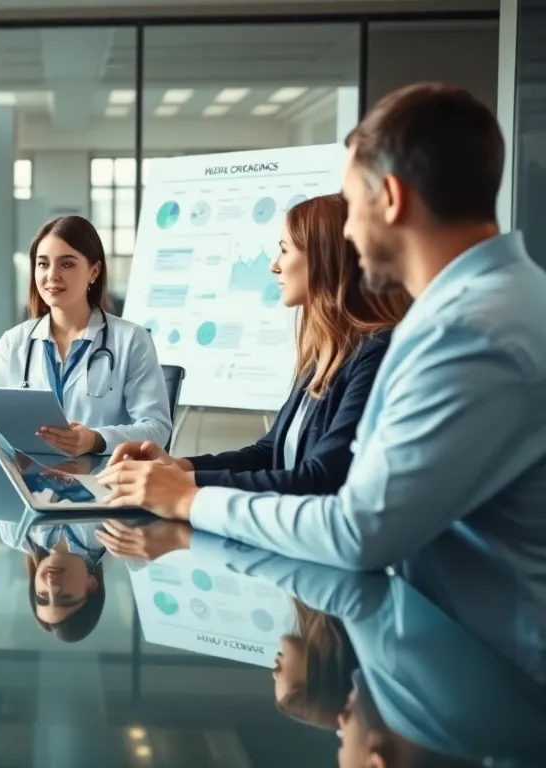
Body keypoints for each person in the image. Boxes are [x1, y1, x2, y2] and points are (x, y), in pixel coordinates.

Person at [96, 84, 546, 681]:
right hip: (466, 658)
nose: (351, 236)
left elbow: (354, 526)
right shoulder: (498, 307)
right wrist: (184, 474)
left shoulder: (468, 335)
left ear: (389, 197)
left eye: (353, 205)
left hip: (491, 676)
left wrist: (188, 497)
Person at [107, 194, 410, 494]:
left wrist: (183, 485)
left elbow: (319, 478)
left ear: (322, 259)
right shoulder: (322, 353)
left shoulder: (375, 352)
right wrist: (179, 467)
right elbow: (268, 454)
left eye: (284, 251)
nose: (274, 266)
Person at [0, 215, 172, 456]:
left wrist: (96, 439)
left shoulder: (131, 340)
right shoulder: (14, 341)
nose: (52, 275)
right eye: (43, 264)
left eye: (66, 264)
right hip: (27, 478)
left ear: (94, 271)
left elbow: (157, 428)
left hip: (103, 479)